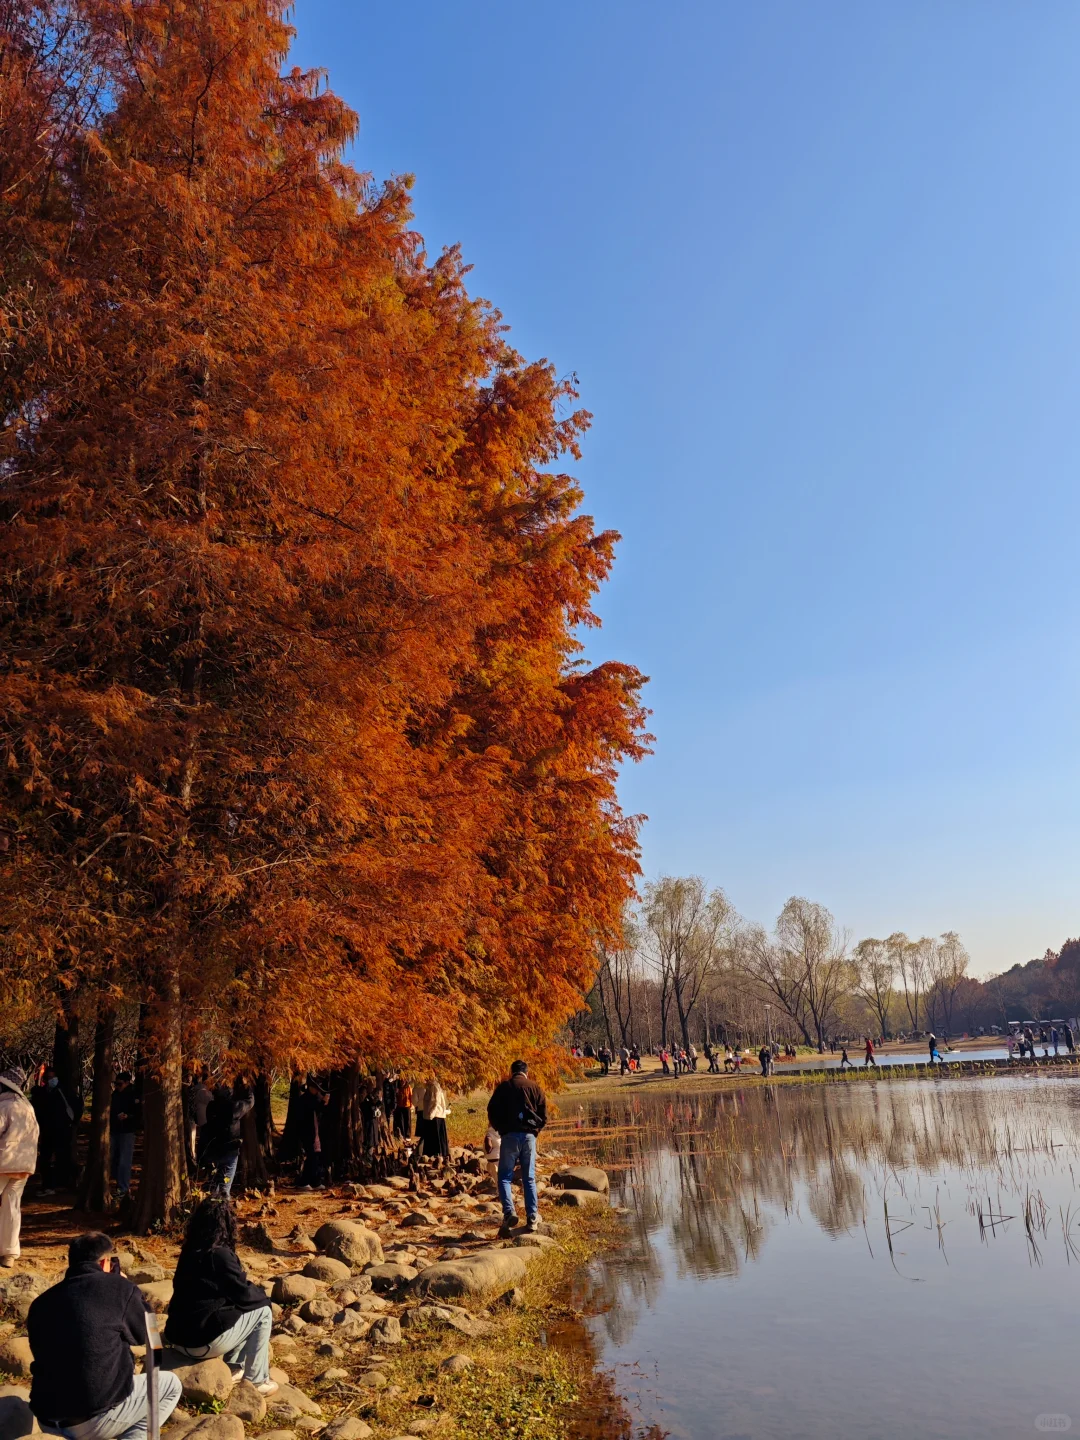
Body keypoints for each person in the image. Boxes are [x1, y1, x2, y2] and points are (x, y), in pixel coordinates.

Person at [27, 1231, 182, 1440]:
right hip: (93, 1418)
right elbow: (147, 1334)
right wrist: (131, 1291)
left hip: (47, 1419)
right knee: (170, 1385)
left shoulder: (41, 1302)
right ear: (105, 1262)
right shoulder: (119, 1288)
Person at [165, 1197, 277, 1395]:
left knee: (242, 1307)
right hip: (200, 1344)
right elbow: (243, 1293)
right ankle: (257, 1381)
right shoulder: (219, 1255)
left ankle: (234, 1369)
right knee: (262, 1311)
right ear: (227, 1223)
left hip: (178, 1337)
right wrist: (264, 1297)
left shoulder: (189, 1251)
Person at [487, 1060, 547, 1237]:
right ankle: (532, 1217)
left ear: (511, 1072)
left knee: (505, 1177)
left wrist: (500, 1128)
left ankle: (509, 1212)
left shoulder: (504, 1087)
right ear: (526, 1072)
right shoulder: (534, 1087)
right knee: (529, 1178)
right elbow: (544, 1115)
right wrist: (535, 1131)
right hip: (528, 1136)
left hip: (509, 1136)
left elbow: (491, 1110)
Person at [0, 1065, 38, 1269]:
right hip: (24, 1165)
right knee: (12, 1208)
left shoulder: (4, 1107)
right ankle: (10, 1253)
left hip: (2, 1163)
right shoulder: (27, 1107)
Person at [198, 1079, 254, 1197]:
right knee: (224, 1189)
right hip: (229, 1151)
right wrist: (247, 1086)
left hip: (213, 1151)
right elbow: (249, 1102)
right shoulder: (233, 1108)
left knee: (214, 1187)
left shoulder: (211, 1106)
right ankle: (222, 1211)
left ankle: (213, 1209)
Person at [31, 1065, 78, 1195]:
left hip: (62, 1130)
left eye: (53, 1077)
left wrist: (71, 1123)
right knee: (45, 1158)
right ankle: (48, 1185)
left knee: (62, 1156)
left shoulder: (65, 1092)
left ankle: (63, 1182)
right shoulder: (42, 1093)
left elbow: (76, 1106)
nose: (51, 1080)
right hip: (47, 1131)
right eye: (49, 1077)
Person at [109, 1073, 139, 1201]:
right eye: (115, 1084)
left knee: (124, 1161)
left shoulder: (133, 1095)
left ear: (127, 1083)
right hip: (115, 1129)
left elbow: (138, 1114)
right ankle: (117, 1185)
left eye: (120, 1084)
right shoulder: (115, 1095)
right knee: (114, 1159)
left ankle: (123, 1188)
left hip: (127, 1131)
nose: (117, 1087)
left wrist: (128, 1117)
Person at [295, 1077, 330, 1190]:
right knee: (311, 1157)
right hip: (307, 1132)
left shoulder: (316, 1097)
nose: (317, 1091)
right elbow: (313, 1108)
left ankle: (315, 1181)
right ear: (310, 1087)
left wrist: (324, 1103)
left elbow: (322, 1111)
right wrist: (323, 1102)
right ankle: (304, 1182)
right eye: (316, 1088)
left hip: (316, 1132)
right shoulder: (304, 1099)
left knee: (316, 1156)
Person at [418, 1078, 451, 1164]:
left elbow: (436, 1102)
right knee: (430, 1136)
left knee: (435, 1137)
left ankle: (437, 1155)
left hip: (435, 1116)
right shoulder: (429, 1087)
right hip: (430, 1116)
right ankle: (430, 1154)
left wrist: (431, 1114)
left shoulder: (434, 1087)